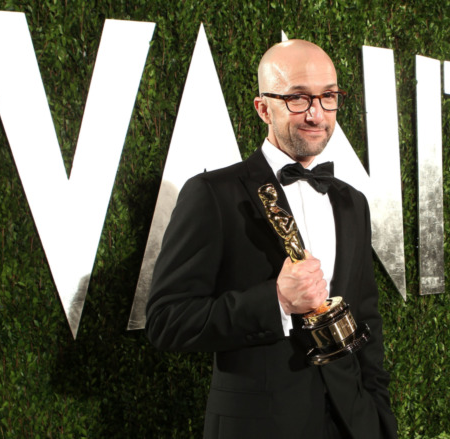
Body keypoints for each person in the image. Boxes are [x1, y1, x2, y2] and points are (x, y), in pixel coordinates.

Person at [145, 39, 398, 439]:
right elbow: (166, 321)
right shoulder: (213, 194)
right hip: (260, 426)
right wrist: (276, 301)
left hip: (353, 422)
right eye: (298, 98)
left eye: (328, 97)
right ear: (263, 107)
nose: (316, 113)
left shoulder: (353, 203)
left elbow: (366, 319)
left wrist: (379, 417)